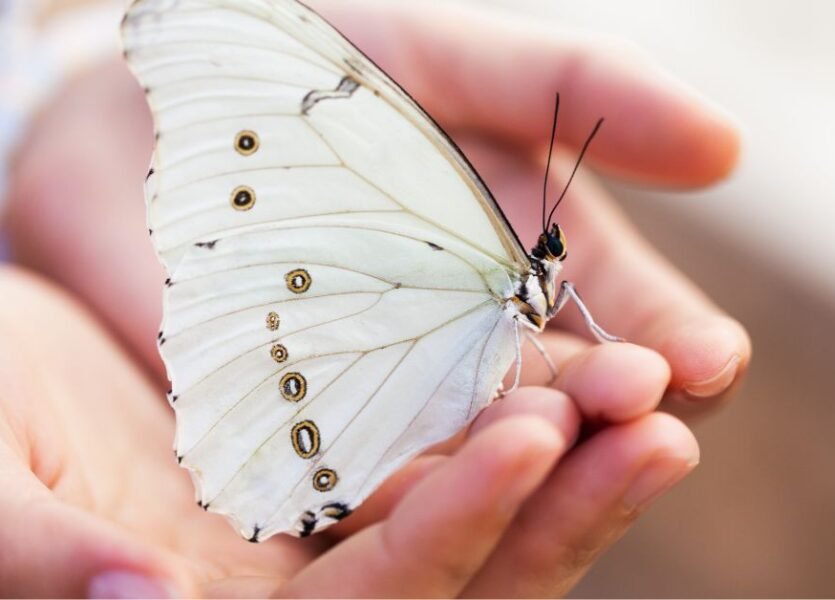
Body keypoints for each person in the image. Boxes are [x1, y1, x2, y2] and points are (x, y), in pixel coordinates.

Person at [0, 1, 751, 597]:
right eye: (547, 263)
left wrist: (53, 90)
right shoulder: (502, 267)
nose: (550, 271)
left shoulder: (511, 274)